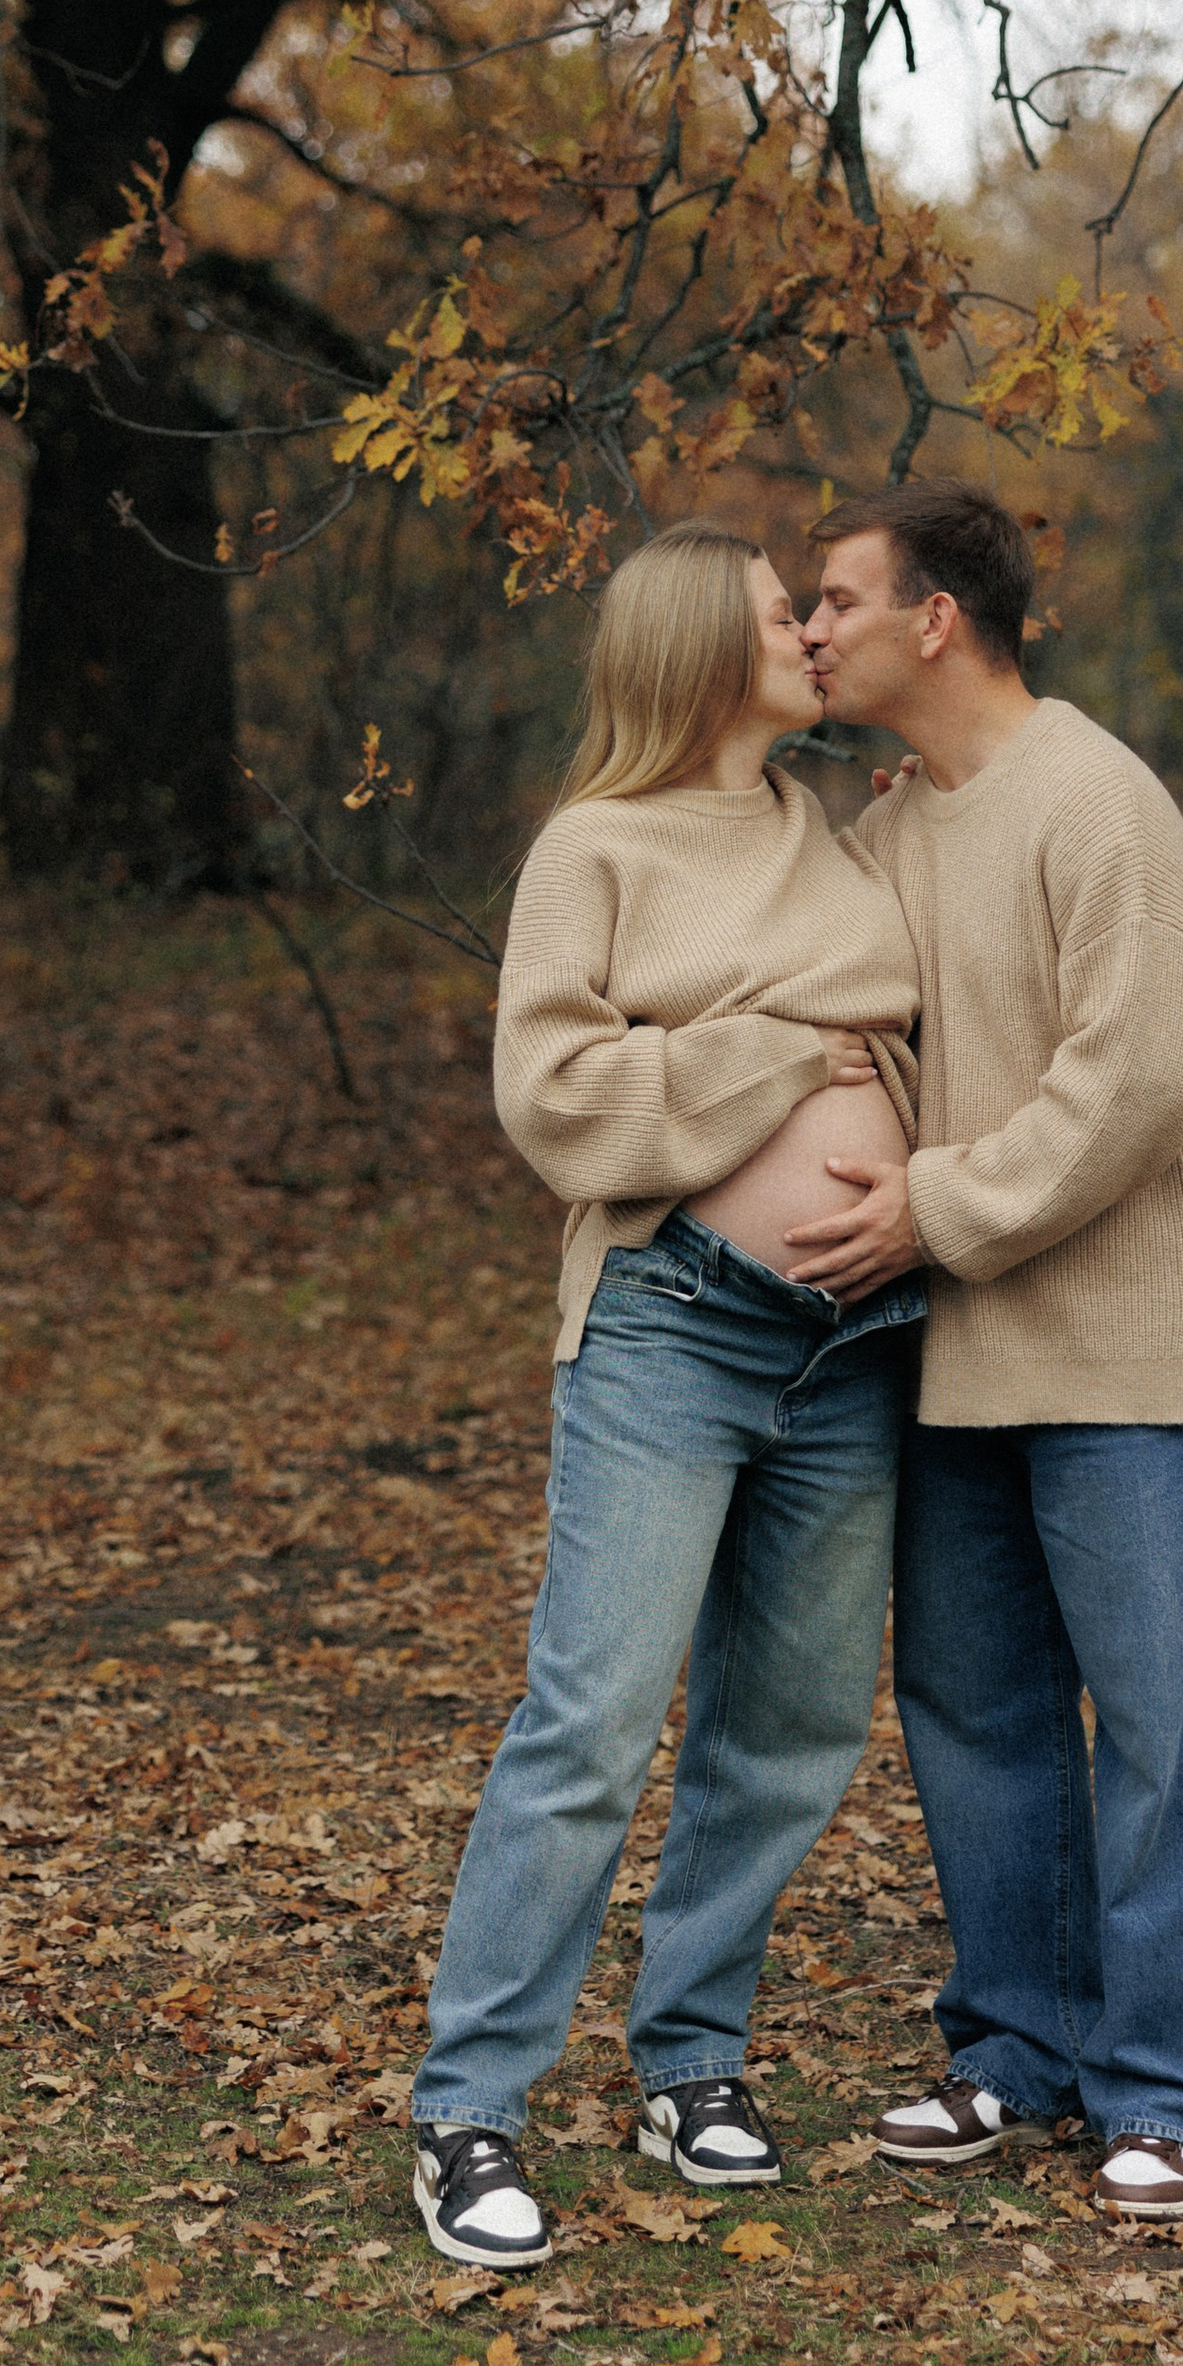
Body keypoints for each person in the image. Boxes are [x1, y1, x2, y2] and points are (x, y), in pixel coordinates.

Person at [408, 521, 926, 2269]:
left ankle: (693, 2061)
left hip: (859, 1341)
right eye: (786, 614)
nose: (812, 635)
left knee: (788, 1732)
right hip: (674, 1328)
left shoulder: (839, 835)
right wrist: (779, 1047)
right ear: (703, 647)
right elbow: (554, 1094)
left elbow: (917, 1029)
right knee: (593, 1724)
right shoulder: (597, 850)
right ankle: (470, 2107)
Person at [789, 478, 1183, 2224]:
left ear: (936, 618)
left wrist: (931, 1207)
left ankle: (1165, 2094)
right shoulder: (882, 837)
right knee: (979, 1717)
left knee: (1155, 1728)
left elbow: (1135, 1082)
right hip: (953, 1357)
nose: (811, 628)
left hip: (1130, 1353)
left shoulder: (1100, 802)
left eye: (835, 599)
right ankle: (1017, 2051)